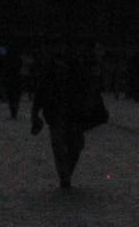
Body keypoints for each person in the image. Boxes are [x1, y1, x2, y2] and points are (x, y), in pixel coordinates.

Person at [32, 47, 105, 188]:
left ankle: (65, 173)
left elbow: (40, 93)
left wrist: (35, 113)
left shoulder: (75, 71)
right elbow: (41, 92)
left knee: (68, 145)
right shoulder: (61, 72)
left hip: (69, 113)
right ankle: (65, 174)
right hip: (63, 113)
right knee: (67, 145)